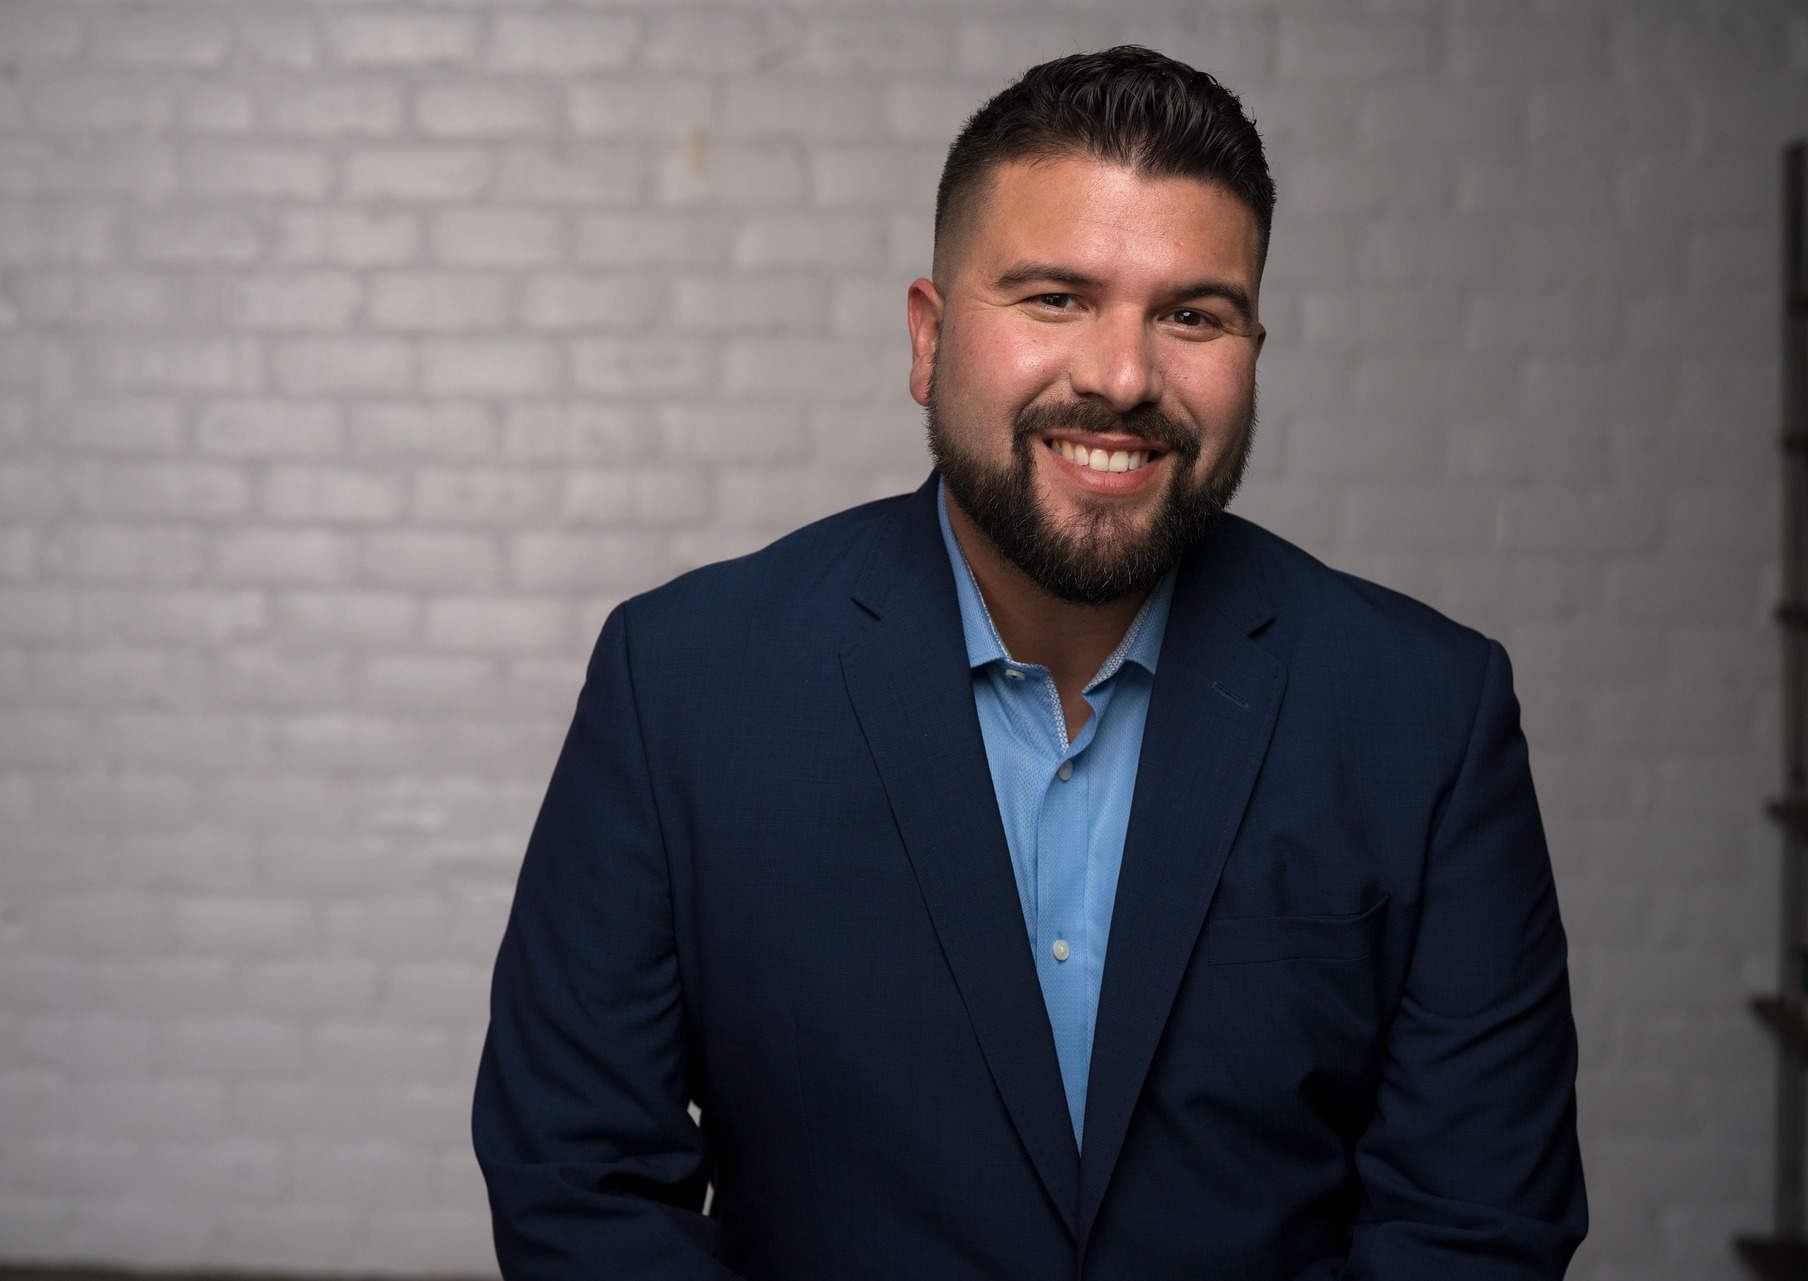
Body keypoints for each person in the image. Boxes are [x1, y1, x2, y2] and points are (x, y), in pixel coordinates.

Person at [473, 46, 1587, 1279]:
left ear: (1254, 350)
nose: (1123, 377)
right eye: (1056, 297)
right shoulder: (679, 685)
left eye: (1193, 314)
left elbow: (1475, 1229)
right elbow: (580, 1188)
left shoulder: (1426, 714)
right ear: (929, 339)